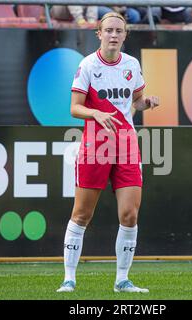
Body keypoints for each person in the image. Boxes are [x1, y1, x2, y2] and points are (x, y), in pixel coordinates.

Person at [56, 12, 160, 293]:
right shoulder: (88, 65)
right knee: (81, 214)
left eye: (119, 31)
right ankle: (69, 279)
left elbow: (135, 101)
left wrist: (146, 102)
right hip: (95, 145)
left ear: (125, 35)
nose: (114, 35)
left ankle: (122, 280)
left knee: (129, 215)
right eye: (109, 30)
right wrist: (95, 114)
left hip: (126, 143)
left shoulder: (132, 64)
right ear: (98, 34)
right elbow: (74, 107)